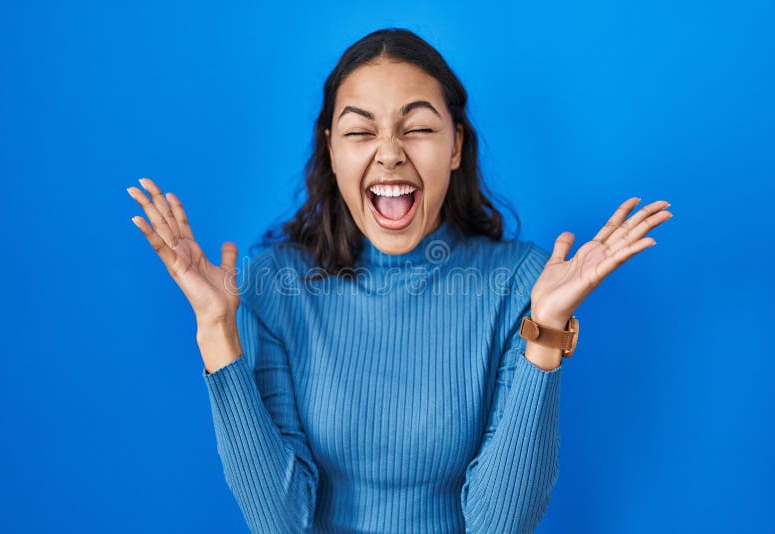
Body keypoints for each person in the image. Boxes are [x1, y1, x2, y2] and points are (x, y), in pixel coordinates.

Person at [126, 28, 672, 534]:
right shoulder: (271, 285)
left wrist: (547, 330)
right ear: (332, 150)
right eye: (361, 131)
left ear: (455, 146)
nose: (389, 153)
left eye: (418, 129)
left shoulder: (520, 284)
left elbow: (500, 526)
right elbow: (280, 520)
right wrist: (217, 331)